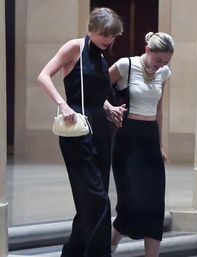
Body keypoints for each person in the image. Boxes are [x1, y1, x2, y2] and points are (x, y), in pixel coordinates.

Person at [37, 7, 123, 257]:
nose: (109, 41)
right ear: (92, 30)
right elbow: (43, 76)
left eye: (113, 37)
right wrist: (61, 104)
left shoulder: (101, 56)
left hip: (100, 129)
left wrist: (110, 108)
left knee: (92, 201)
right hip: (77, 130)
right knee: (97, 200)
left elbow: (95, 95)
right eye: (105, 36)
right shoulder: (74, 47)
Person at [104, 32, 175, 257]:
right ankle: (108, 246)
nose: (161, 66)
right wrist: (108, 108)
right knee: (130, 203)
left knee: (155, 204)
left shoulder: (163, 73)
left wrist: (161, 144)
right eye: (158, 60)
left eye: (166, 62)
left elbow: (159, 110)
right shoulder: (125, 65)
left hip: (150, 141)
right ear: (147, 50)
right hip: (127, 140)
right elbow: (96, 90)